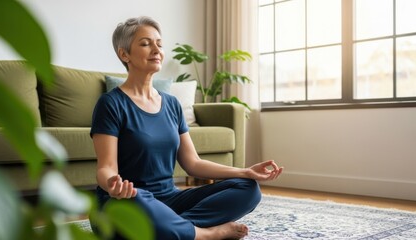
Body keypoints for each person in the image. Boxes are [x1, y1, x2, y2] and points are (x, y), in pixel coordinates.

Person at [90, 16, 284, 240]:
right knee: (139, 199)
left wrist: (245, 171)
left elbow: (193, 163)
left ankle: (172, 230)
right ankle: (207, 234)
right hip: (126, 202)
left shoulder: (171, 104)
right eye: (145, 44)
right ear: (124, 54)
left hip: (170, 202)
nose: (156, 50)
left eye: (159, 44)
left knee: (249, 189)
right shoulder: (111, 104)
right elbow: (106, 168)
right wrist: (113, 185)